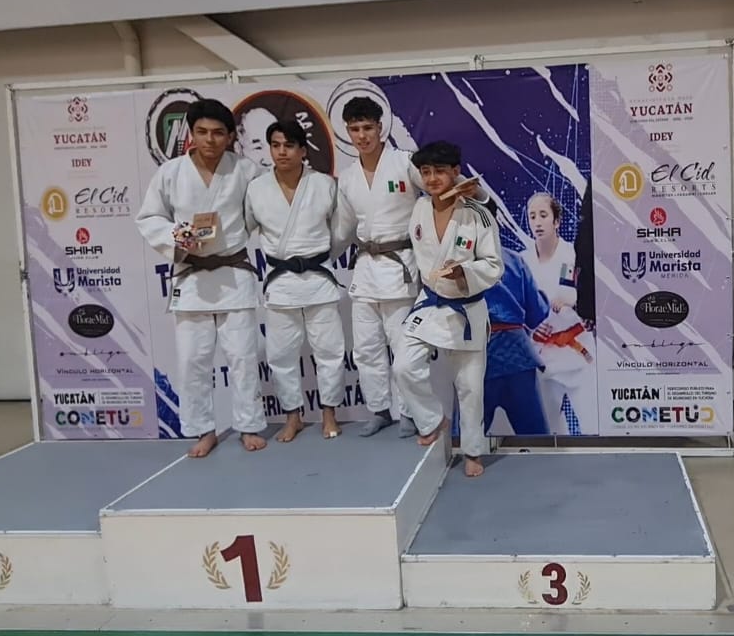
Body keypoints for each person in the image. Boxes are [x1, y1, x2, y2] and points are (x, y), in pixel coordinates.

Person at [335, 97, 487, 437]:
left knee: (402, 345)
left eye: (368, 127)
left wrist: (477, 195)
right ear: (347, 132)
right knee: (366, 348)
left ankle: (409, 412)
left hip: (400, 267)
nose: (362, 135)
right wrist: (318, 257)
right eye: (355, 129)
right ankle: (378, 409)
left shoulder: (404, 163)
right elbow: (343, 229)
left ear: (381, 127)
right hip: (365, 269)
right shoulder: (347, 178)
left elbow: (442, 185)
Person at [136, 99, 266, 457]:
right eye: (202, 132)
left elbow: (262, 212)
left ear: (230, 136)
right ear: (191, 134)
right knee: (193, 359)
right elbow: (149, 217)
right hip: (191, 277)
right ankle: (202, 429)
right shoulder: (171, 173)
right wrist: (178, 236)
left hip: (234, 271)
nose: (210, 140)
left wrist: (241, 233)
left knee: (243, 356)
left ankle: (249, 425)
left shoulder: (246, 170)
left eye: (218, 133)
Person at [395, 141, 504, 478]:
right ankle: (432, 420)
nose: (432, 178)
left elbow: (494, 265)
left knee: (470, 388)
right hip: (429, 303)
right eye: (426, 172)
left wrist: (464, 273)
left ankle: (472, 451)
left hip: (465, 308)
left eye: (439, 171)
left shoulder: (477, 214)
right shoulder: (419, 209)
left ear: (456, 172)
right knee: (403, 366)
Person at [244, 119, 352, 442]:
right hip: (280, 282)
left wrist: (321, 256)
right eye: (275, 145)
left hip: (319, 278)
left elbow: (342, 230)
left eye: (289, 145)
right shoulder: (256, 189)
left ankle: (329, 413)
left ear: (302, 150)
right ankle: (293, 416)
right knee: (281, 355)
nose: (282, 152)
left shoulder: (324, 185)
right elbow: (244, 228)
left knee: (330, 351)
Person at [523, 192, 595, 436]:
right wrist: (532, 326)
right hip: (541, 356)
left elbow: (570, 295)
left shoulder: (571, 255)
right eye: (532, 216)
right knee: (547, 430)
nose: (537, 222)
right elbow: (518, 306)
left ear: (556, 221)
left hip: (576, 351)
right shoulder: (523, 261)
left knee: (592, 425)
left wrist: (569, 303)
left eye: (543, 215)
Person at [481, 245, 551, 435]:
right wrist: (544, 299)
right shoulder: (513, 259)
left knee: (465, 442)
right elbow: (536, 314)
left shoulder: (457, 262)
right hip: (518, 358)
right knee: (537, 441)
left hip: (479, 358)